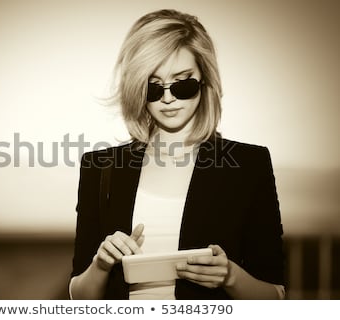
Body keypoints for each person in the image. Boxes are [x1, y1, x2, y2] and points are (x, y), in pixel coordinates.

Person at [69, 9, 285, 300]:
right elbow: (80, 297)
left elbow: (276, 295)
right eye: (153, 87)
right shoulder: (100, 167)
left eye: (183, 84)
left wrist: (231, 276)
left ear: (205, 81)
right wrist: (101, 263)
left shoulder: (249, 166)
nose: (168, 98)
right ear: (136, 88)